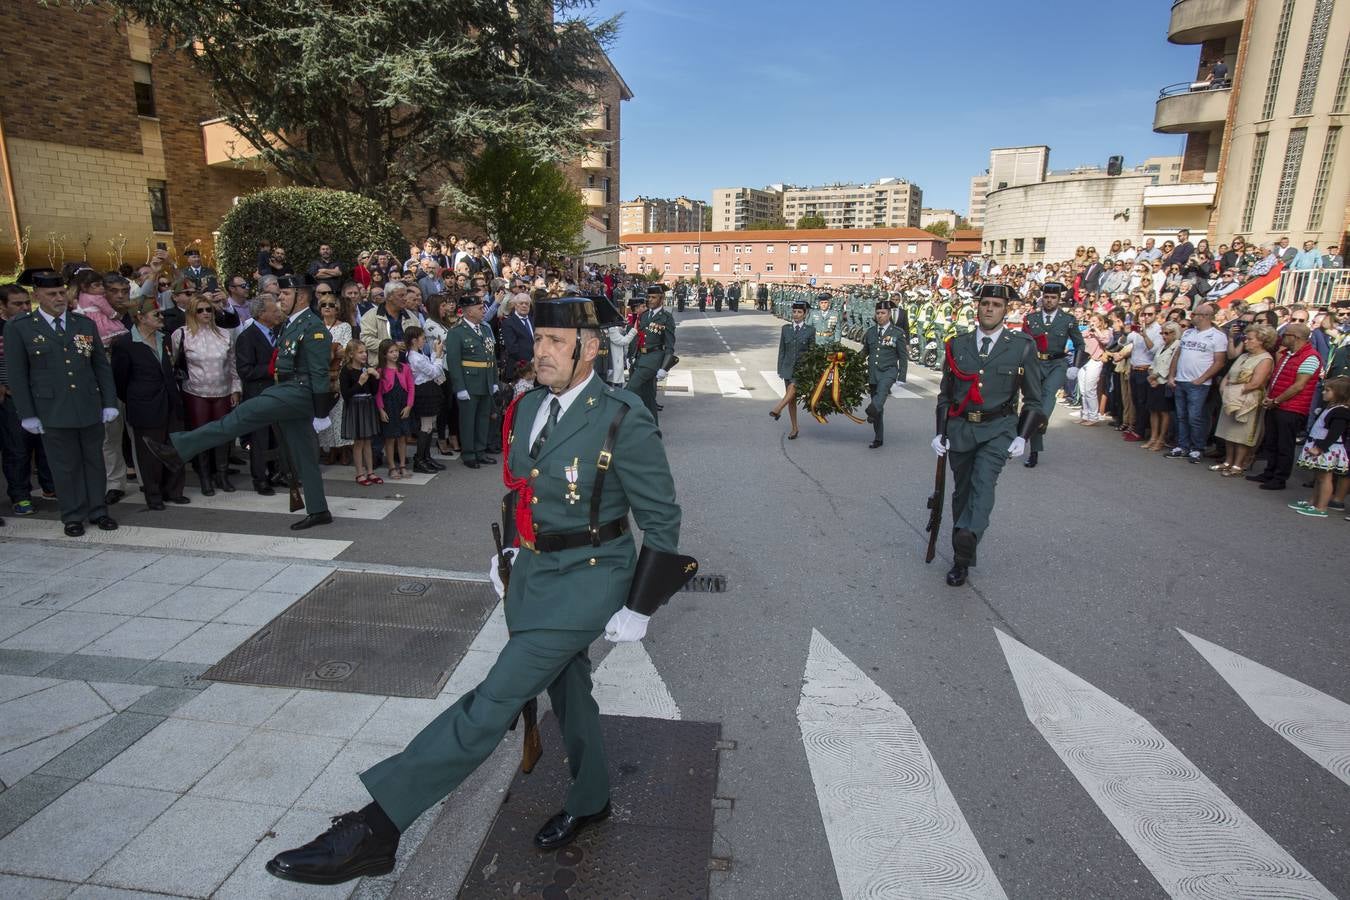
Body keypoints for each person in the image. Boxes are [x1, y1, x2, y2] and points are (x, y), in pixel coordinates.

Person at [264, 296, 695, 887]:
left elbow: (662, 517)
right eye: (537, 339)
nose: (538, 352)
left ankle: (377, 827)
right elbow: (525, 487)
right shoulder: (531, 405)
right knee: (570, 690)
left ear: (589, 350)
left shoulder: (622, 416)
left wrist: (641, 606)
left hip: (591, 580)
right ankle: (592, 797)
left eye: (555, 343)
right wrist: (513, 549)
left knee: (492, 701)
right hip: (535, 573)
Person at [143, 274, 335, 530]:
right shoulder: (292, 324)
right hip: (287, 388)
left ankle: (178, 450)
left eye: (285, 295)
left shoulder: (313, 327)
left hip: (298, 392)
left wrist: (321, 412)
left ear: (301, 296)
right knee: (304, 455)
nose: (280, 300)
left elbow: (320, 371)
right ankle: (319, 509)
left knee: (240, 416)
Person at [931, 284, 1044, 587]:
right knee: (962, 492)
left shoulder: (1021, 345)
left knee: (983, 483)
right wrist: (939, 432)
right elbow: (946, 394)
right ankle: (963, 546)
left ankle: (963, 548)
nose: (990, 309)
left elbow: (1034, 397)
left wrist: (1023, 435)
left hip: (999, 429)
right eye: (985, 303)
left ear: (1006, 309)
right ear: (977, 307)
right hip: (961, 428)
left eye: (996, 304)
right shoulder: (958, 344)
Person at [6, 268, 120, 536]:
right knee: (64, 465)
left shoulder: (84, 324)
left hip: (87, 404)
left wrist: (109, 401)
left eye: (61, 292)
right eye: (51, 294)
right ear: (38, 296)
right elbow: (18, 374)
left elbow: (100, 366)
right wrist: (27, 414)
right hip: (51, 409)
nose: (58, 298)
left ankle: (98, 510)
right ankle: (72, 514)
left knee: (94, 460)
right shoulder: (20, 327)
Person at [110, 297, 189, 510]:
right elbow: (120, 380)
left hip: (171, 402)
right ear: (141, 318)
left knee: (174, 447)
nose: (161, 317)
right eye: (156, 315)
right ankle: (154, 495)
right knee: (149, 454)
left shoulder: (164, 338)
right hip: (145, 406)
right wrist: (138, 398)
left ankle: (174, 490)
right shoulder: (125, 344)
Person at [171, 293, 242, 495]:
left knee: (222, 435)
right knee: (201, 435)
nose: (205, 313)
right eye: (200, 310)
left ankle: (222, 474)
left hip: (223, 390)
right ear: (192, 312)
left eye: (208, 309)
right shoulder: (181, 334)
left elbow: (233, 364)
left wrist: (236, 388)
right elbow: (174, 363)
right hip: (195, 392)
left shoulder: (225, 334)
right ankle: (204, 477)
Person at [1, 284, 57, 516]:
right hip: (12, 399)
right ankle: (20, 495)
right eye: (17, 304)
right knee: (18, 449)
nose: (25, 308)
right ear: (2, 306)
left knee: (46, 445)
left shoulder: (34, 326)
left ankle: (50, 487)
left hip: (41, 396)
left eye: (27, 303)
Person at [1247, 323, 1322, 491]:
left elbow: (1299, 386)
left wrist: (1276, 400)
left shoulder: (1310, 357)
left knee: (1284, 445)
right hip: (1277, 404)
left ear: (1295, 337)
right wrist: (1270, 397)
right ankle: (1269, 472)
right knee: (1272, 441)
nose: (1282, 338)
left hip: (1291, 408)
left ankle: (1280, 478)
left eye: (1286, 335)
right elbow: (1277, 378)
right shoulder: (1288, 354)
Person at [1020, 282, 1085, 468]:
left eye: (1053, 298)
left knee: (1048, 393)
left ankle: (1042, 420)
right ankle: (1034, 451)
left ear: (1059, 299)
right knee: (1033, 402)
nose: (1049, 301)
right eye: (1046, 297)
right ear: (1042, 298)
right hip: (1036, 363)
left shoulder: (1068, 320)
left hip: (1057, 363)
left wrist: (1076, 366)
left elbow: (1080, 344)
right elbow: (1024, 342)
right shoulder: (1031, 318)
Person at [1166, 303, 1228, 463]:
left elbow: (1219, 362)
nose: (1192, 317)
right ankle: (1182, 445)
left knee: (1195, 417)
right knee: (1181, 416)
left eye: (1195, 314)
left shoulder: (1217, 336)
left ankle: (1197, 448)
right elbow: (1177, 355)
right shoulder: (1187, 333)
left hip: (1199, 384)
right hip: (1180, 380)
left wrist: (1202, 379)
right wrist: (1172, 375)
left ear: (1205, 316)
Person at [235, 295, 283, 495]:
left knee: (277, 436)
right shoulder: (247, 337)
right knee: (260, 438)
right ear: (262, 314)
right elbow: (245, 370)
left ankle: (276, 473)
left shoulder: (277, 332)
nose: (278, 314)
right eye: (274, 311)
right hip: (258, 395)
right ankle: (260, 478)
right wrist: (271, 369)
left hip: (277, 394)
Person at [1213, 324, 1275, 476]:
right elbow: (1229, 374)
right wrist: (1224, 386)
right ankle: (1227, 461)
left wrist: (1233, 391)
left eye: (1250, 339)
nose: (1245, 341)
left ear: (1262, 341)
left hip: (1248, 399)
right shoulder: (1243, 356)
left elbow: (1256, 383)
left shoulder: (1265, 359)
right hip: (1230, 396)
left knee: (1241, 433)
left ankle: (1238, 465)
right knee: (1228, 431)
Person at [446, 293, 498, 469]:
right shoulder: (457, 332)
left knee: (483, 418)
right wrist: (459, 387)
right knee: (468, 420)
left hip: (485, 381)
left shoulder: (485, 329)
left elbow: (492, 356)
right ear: (468, 312)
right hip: (469, 382)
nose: (483, 310)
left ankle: (480, 451)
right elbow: (453, 361)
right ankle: (468, 453)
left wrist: (494, 380)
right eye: (479, 308)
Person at [1288, 377, 1350, 518]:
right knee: (1319, 477)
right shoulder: (1331, 408)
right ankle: (1313, 502)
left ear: (1339, 393)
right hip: (1319, 445)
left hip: (1327, 449)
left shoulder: (1341, 412)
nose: (1323, 392)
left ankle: (1321, 507)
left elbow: (1334, 434)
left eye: (1328, 390)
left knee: (1325, 478)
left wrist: (1320, 448)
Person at [625, 284, 676, 424]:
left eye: (653, 297)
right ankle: (654, 429)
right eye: (648, 297)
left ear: (661, 299)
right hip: (640, 358)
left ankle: (619, 426)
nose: (650, 300)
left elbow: (670, 346)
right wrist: (630, 356)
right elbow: (638, 338)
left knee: (630, 389)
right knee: (648, 398)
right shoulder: (644, 315)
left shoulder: (666, 318)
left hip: (653, 360)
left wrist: (664, 368)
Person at [860, 299, 907, 449]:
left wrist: (901, 377)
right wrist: (852, 362)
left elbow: (903, 356)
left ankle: (871, 410)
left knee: (880, 397)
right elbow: (865, 351)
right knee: (878, 409)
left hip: (889, 371)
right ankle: (878, 438)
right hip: (873, 373)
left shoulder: (897, 333)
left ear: (889, 314)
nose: (880, 316)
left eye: (883, 313)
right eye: (878, 313)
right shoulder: (871, 332)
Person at [770, 300, 815, 440]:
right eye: (794, 312)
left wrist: (811, 369)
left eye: (799, 312)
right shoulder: (786, 329)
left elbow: (812, 351)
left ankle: (777, 409)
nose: (796, 315)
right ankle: (795, 428)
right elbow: (782, 350)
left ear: (805, 314)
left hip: (802, 369)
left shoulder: (810, 330)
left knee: (793, 388)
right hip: (787, 367)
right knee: (791, 399)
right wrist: (780, 368)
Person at [340, 340, 382, 486]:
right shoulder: (347, 371)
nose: (364, 355)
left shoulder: (367, 369)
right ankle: (359, 473)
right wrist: (360, 383)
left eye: (365, 352)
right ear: (351, 354)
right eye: (360, 352)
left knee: (368, 441)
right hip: (355, 406)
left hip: (367, 404)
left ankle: (370, 471)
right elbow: (346, 394)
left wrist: (376, 377)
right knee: (358, 442)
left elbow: (374, 390)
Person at [404, 325, 445, 474]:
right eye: (423, 338)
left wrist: (435, 353)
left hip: (429, 390)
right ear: (414, 340)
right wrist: (439, 357)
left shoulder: (419, 354)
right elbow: (434, 371)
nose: (424, 341)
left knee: (430, 425)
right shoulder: (414, 357)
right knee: (426, 426)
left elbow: (431, 366)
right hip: (423, 391)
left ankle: (426, 457)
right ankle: (420, 459)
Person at [374, 338, 414, 480]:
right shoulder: (380, 370)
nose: (395, 354)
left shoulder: (405, 368)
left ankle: (402, 465)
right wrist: (381, 409)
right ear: (384, 354)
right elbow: (378, 392)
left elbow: (411, 388)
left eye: (396, 351)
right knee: (390, 438)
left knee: (402, 437)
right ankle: (391, 466)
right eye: (391, 352)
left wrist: (409, 406)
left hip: (402, 405)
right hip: (389, 405)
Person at [1144, 321, 1183, 452]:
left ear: (1174, 333)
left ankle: (1161, 439)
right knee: (1153, 410)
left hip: (1163, 382)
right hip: (1154, 382)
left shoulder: (1177, 345)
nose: (1163, 336)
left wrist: (1155, 376)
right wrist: (1151, 375)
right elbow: (1155, 362)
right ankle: (1153, 438)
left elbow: (1171, 364)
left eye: (1166, 333)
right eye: (1162, 333)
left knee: (1163, 412)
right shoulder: (1162, 346)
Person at [502, 291, 535, 375]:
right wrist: (531, 360)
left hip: (536, 368)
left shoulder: (534, 320)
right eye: (521, 303)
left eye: (527, 303)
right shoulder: (508, 322)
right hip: (519, 369)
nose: (524, 305)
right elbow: (512, 347)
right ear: (515, 305)